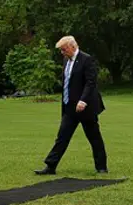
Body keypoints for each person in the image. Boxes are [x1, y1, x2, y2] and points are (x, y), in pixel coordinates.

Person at [34, 36, 108, 175]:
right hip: (70, 108)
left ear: (73, 46)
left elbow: (91, 82)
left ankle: (101, 167)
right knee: (62, 137)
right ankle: (51, 166)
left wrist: (83, 100)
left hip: (85, 107)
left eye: (64, 49)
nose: (62, 52)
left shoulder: (86, 59)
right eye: (61, 50)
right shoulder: (66, 61)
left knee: (94, 137)